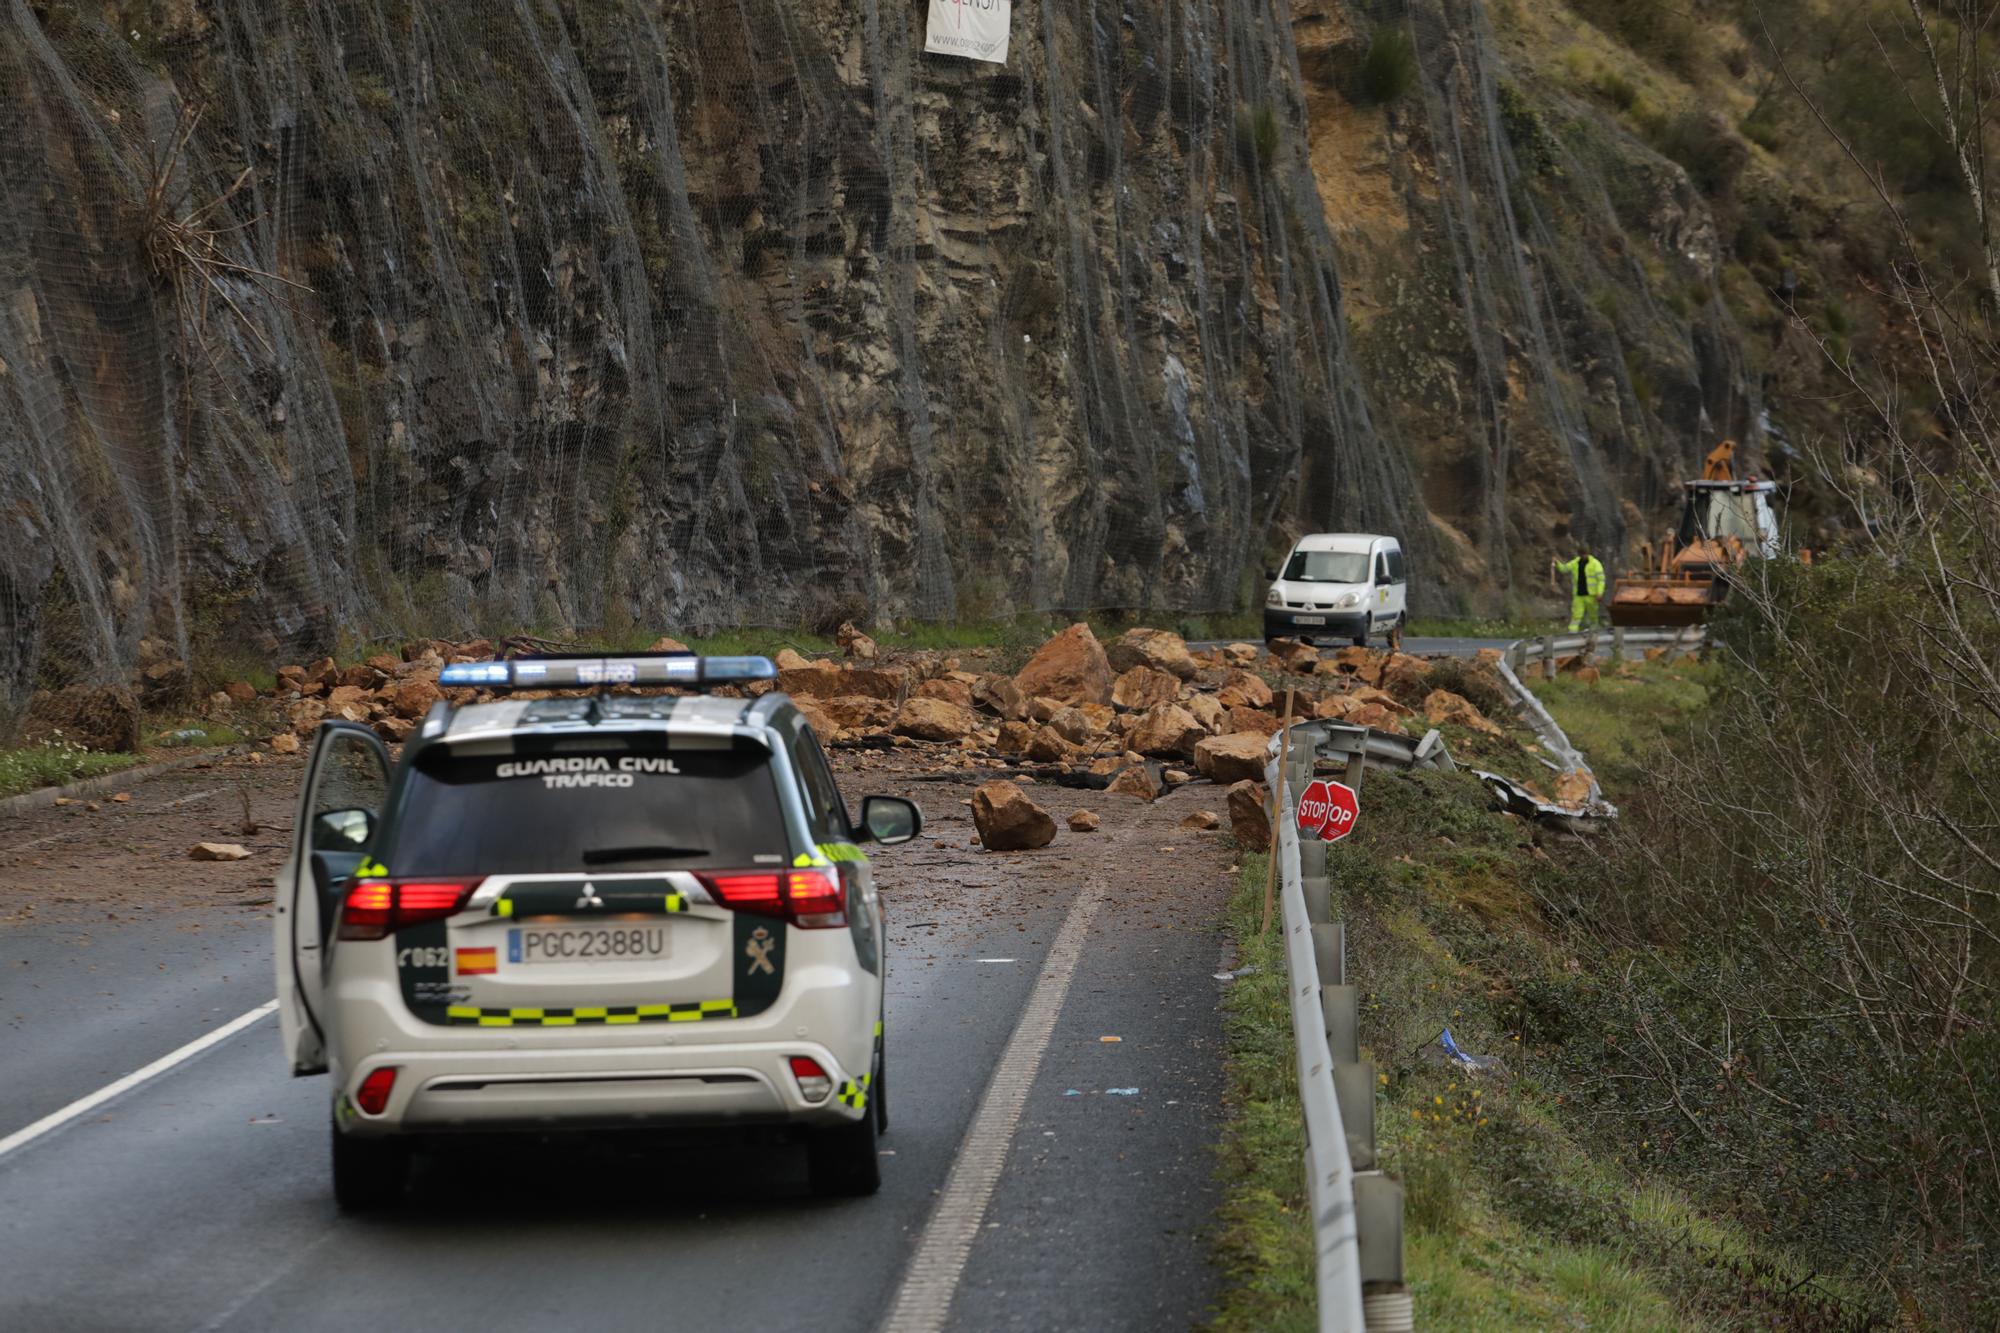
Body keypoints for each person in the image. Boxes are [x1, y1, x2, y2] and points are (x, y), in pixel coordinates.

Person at [1551, 544, 1606, 631]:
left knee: (1593, 616)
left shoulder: (1595, 564)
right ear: (1579, 554)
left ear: (1588, 553)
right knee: (1576, 616)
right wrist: (1557, 563)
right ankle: (1572, 633)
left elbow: (1601, 580)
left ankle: (1594, 632)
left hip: (1591, 595)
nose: (1583, 556)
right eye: (1582, 554)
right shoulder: (1575, 563)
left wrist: (1599, 592)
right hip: (1579, 595)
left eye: (1585, 554)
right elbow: (1564, 569)